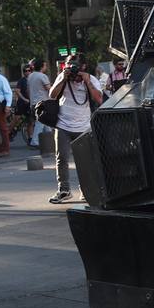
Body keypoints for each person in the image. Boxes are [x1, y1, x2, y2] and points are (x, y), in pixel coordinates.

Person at [48, 58, 103, 204]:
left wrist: (87, 81)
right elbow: (52, 95)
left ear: (83, 67)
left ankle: (86, 190)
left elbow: (98, 99)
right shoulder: (63, 77)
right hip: (63, 125)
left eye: (76, 68)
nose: (73, 71)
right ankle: (64, 190)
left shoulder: (90, 79)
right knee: (62, 159)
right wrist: (63, 79)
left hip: (83, 127)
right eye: (69, 66)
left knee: (85, 160)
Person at [26, 59, 51, 149]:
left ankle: (50, 141)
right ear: (41, 67)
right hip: (42, 102)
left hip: (33, 102)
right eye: (45, 65)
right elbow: (49, 88)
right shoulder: (42, 76)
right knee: (40, 123)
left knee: (46, 124)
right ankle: (34, 142)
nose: (46, 67)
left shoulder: (30, 76)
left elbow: (28, 90)